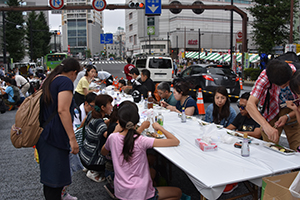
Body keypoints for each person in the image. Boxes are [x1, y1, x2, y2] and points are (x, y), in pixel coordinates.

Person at [101, 101, 182, 200]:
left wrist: (114, 132)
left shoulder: (113, 138)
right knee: (177, 192)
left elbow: (103, 152)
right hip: (141, 193)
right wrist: (159, 127)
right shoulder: (141, 140)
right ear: (136, 122)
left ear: (119, 121)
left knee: (152, 173)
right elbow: (175, 141)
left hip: (121, 191)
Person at [36, 58, 80, 200]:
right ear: (74, 72)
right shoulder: (65, 82)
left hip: (45, 133)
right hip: (55, 136)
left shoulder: (50, 79)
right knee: (55, 181)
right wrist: (72, 139)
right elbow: (62, 110)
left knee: (50, 180)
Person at [246, 59, 300, 151]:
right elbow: (250, 105)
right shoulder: (265, 76)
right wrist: (265, 125)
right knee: (270, 147)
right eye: (279, 85)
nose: (283, 87)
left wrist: (287, 116)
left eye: (286, 84)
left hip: (293, 111)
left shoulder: (297, 75)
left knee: (297, 145)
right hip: (270, 111)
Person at [79, 94, 113, 183]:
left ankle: (88, 167)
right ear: (103, 107)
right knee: (111, 157)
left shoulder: (92, 113)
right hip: (91, 159)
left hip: (84, 153)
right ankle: (94, 172)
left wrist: (109, 121)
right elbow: (111, 138)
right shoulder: (99, 122)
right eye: (110, 105)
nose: (112, 107)